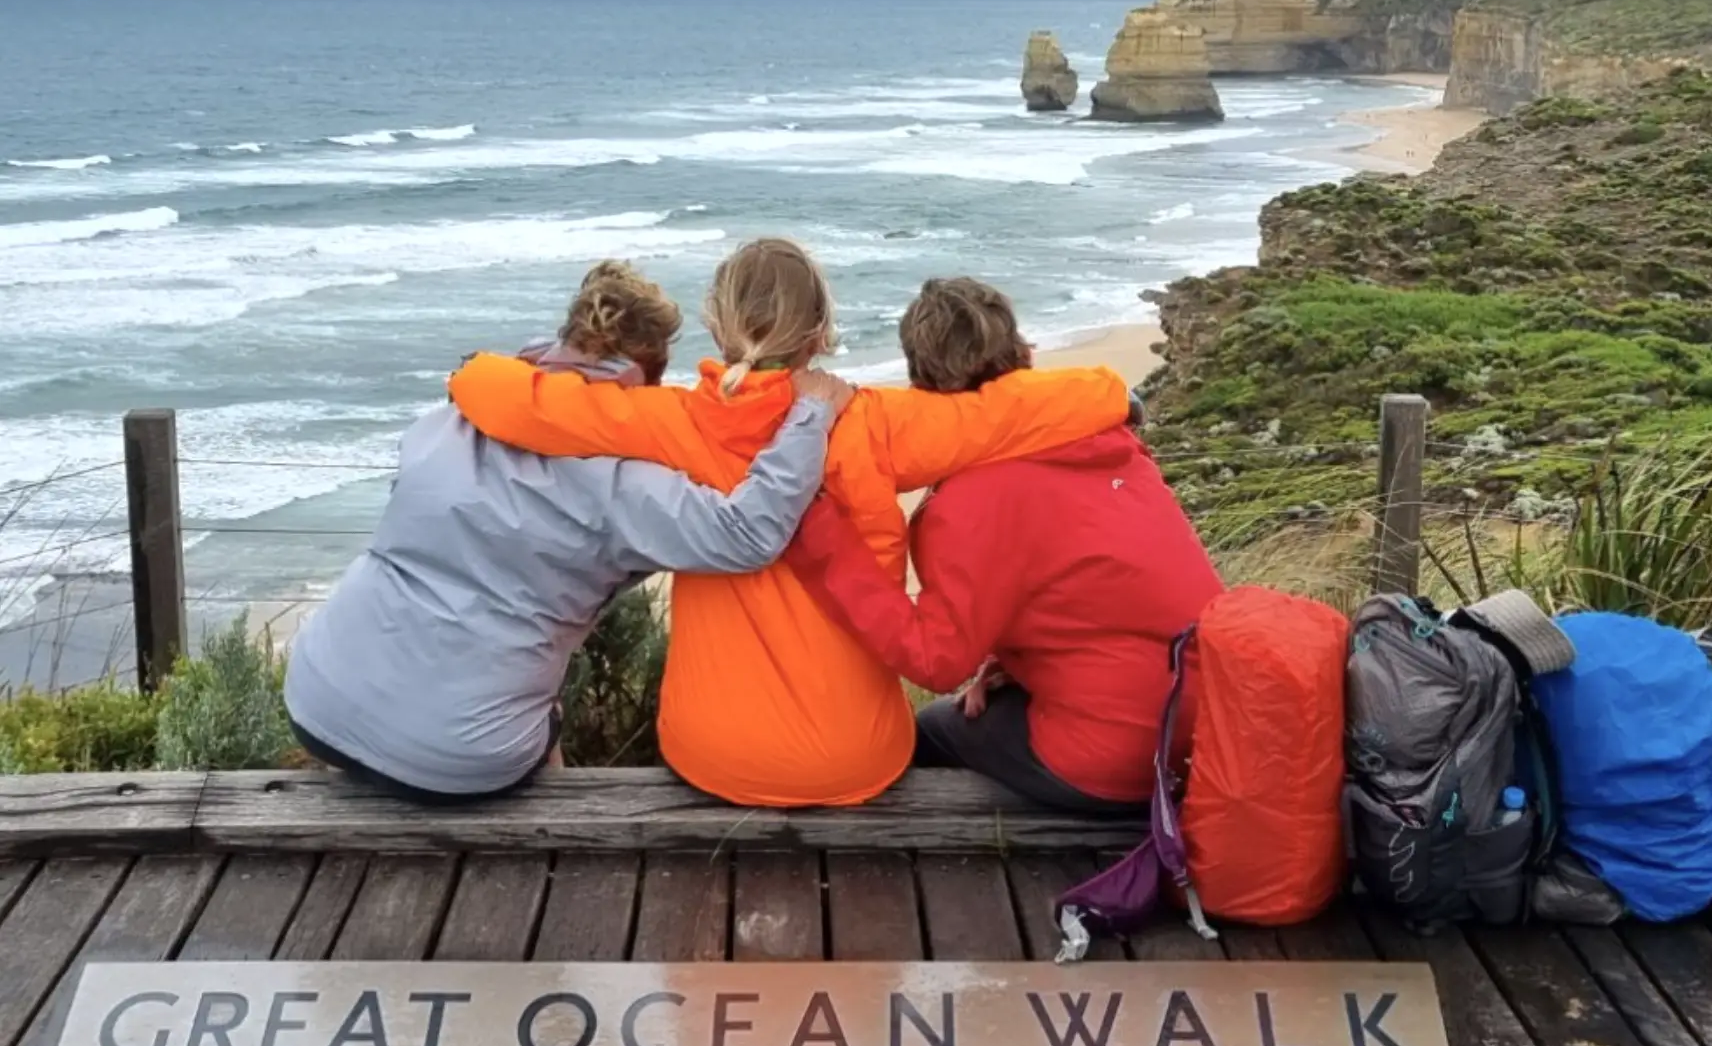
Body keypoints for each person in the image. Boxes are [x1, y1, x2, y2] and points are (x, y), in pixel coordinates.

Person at [445, 238, 1133, 807]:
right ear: (822, 333)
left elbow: (498, 396)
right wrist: (1111, 390)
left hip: (712, 757)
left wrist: (472, 369)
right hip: (857, 759)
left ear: (717, 324)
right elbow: (1048, 405)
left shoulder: (669, 423)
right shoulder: (875, 422)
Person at [283, 260, 852, 801]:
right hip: (461, 753)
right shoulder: (622, 484)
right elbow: (746, 534)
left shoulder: (447, 418)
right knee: (542, 722)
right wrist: (810, 416)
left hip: (315, 696)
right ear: (646, 377)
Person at [786, 276, 1223, 814]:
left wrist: (828, 542)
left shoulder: (975, 497)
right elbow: (1092, 585)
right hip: (1208, 724)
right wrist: (1012, 658)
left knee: (927, 732)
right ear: (1021, 353)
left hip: (1122, 755)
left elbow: (935, 660)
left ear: (920, 383)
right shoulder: (1109, 441)